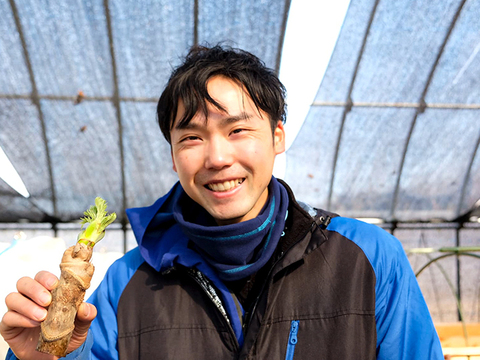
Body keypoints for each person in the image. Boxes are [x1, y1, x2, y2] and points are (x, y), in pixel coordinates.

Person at [1, 45, 444, 359]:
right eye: (191, 137)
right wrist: (40, 359)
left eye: (238, 131)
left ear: (277, 138)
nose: (216, 158)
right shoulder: (126, 284)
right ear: (174, 158)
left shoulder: (367, 258)